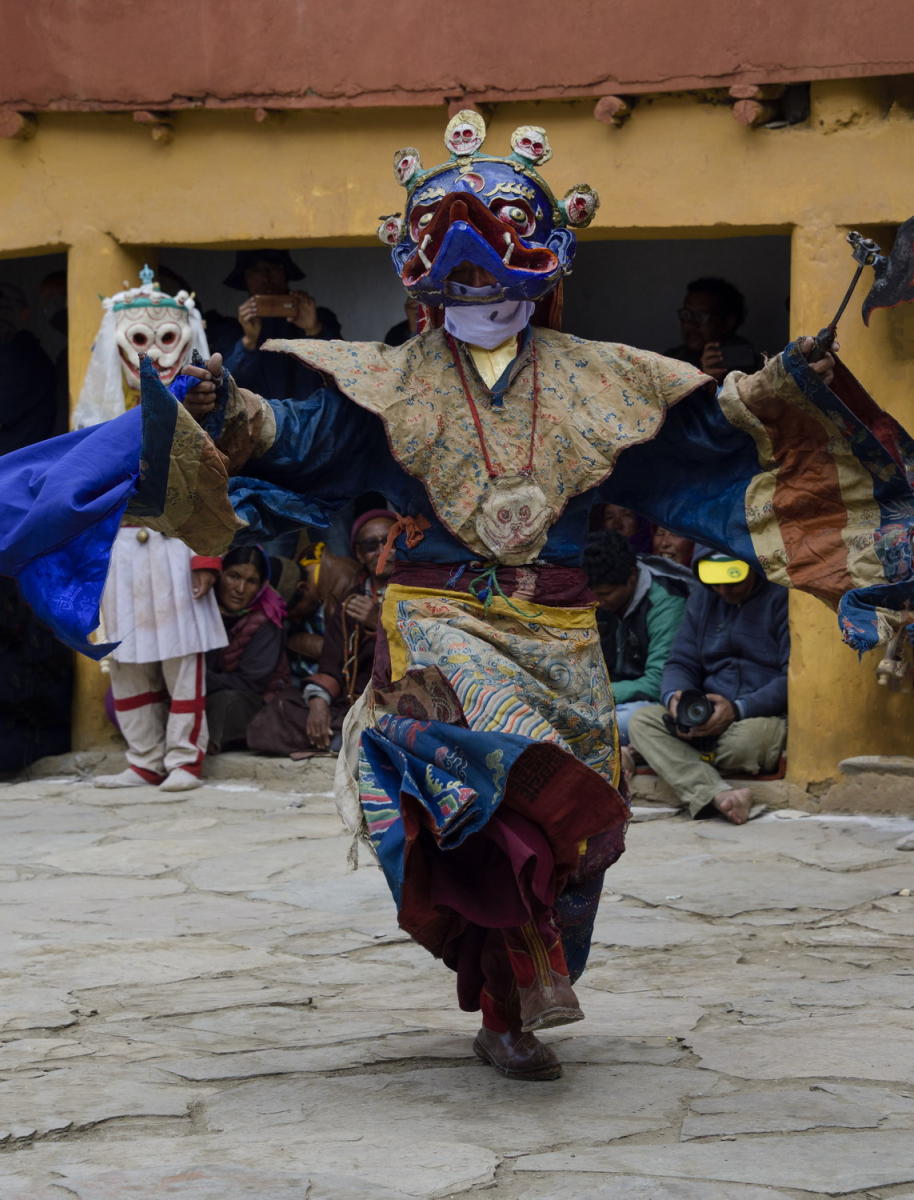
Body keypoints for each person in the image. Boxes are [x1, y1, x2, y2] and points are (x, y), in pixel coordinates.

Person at [2, 109, 910, 1083]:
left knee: (581, 832)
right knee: (500, 780)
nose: (478, 288)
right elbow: (299, 439)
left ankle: (508, 1001)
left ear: (545, 271)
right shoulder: (390, 382)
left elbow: (700, 441)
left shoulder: (606, 380)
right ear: (425, 285)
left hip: (564, 633)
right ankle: (514, 1005)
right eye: (456, 276)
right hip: (438, 625)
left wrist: (772, 390)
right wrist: (231, 405)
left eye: (498, 270)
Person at [628, 552, 789, 825]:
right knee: (642, 721)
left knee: (748, 745)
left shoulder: (781, 597)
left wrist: (738, 709)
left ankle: (666, 760)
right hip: (703, 713)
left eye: (733, 583)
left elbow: (792, 678)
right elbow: (680, 662)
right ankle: (718, 793)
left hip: (752, 716)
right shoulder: (704, 597)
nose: (723, 592)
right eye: (716, 584)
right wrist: (675, 700)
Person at [95, 529, 225, 790]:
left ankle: (185, 761)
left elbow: (206, 493)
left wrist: (205, 558)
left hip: (175, 548)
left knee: (182, 662)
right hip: (117, 554)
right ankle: (145, 761)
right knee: (126, 661)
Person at [303, 510, 397, 753]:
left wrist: (377, 620)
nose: (382, 551)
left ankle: (354, 739)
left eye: (390, 541)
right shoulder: (350, 599)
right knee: (278, 714)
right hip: (352, 702)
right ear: (358, 553)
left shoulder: (419, 593)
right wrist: (318, 702)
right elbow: (332, 663)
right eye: (370, 545)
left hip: (396, 701)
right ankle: (350, 737)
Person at [584, 531, 687, 742]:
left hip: (650, 705)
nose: (598, 602)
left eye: (605, 594)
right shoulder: (596, 599)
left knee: (607, 727)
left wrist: (597, 694)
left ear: (631, 577)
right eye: (594, 594)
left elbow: (658, 682)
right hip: (606, 695)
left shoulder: (666, 604)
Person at [221, 250, 342, 400]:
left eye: (273, 267)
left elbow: (342, 375)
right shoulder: (231, 330)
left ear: (285, 274)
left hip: (313, 420)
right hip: (257, 420)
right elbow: (224, 388)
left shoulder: (320, 318)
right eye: (256, 270)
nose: (266, 277)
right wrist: (248, 342)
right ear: (246, 279)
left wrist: (314, 330)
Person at [206, 546, 290, 753]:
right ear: (219, 575)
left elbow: (251, 681)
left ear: (261, 585)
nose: (240, 588)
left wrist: (198, 679)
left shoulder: (267, 621)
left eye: (251, 581)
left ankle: (205, 744)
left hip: (251, 698)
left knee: (226, 703)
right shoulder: (202, 608)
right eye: (233, 576)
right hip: (204, 688)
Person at [665, 276, 761, 386]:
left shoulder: (750, 369)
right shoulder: (672, 360)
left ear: (728, 322)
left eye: (700, 316)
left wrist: (711, 383)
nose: (689, 323)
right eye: (686, 314)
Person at [0, 281, 56, 454]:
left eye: (6, 310)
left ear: (24, 314)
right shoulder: (27, 351)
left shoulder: (20, 353)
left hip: (14, 463)